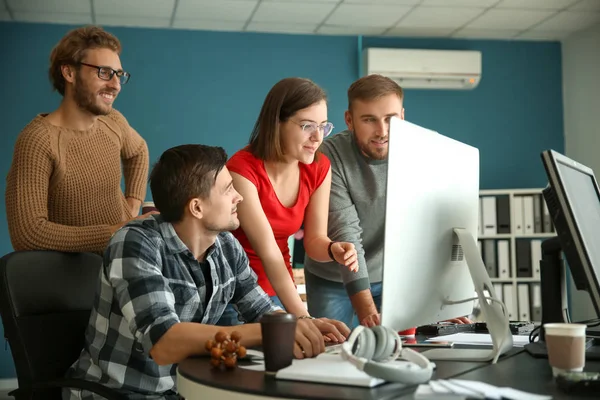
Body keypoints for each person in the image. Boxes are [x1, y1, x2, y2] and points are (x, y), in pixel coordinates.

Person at [64, 144, 343, 400]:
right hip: (115, 394)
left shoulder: (226, 246)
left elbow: (261, 310)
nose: (239, 196)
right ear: (197, 207)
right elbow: (163, 342)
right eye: (228, 189)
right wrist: (269, 332)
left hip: (182, 392)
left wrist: (303, 325)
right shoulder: (136, 244)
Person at [303, 74, 471, 329]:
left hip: (394, 277)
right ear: (349, 120)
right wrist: (368, 312)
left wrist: (441, 303)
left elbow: (435, 230)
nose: (382, 131)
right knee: (333, 352)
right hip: (332, 278)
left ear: (402, 116)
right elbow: (346, 234)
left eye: (390, 119)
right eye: (369, 119)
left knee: (402, 353)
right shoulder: (329, 155)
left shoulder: (426, 150)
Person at [220, 77, 357, 335]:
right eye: (307, 126)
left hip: (279, 292)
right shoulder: (242, 170)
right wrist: (304, 318)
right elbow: (269, 253)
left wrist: (332, 249)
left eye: (323, 126)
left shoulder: (318, 167)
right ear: (277, 122)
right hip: (234, 295)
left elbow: (314, 239)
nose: (318, 137)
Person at [5, 25, 151, 254]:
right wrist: (114, 232)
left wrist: (133, 205)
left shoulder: (113, 121)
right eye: (104, 72)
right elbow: (28, 233)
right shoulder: (37, 140)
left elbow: (139, 151)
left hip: (121, 265)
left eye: (119, 75)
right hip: (73, 282)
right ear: (69, 73)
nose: (115, 85)